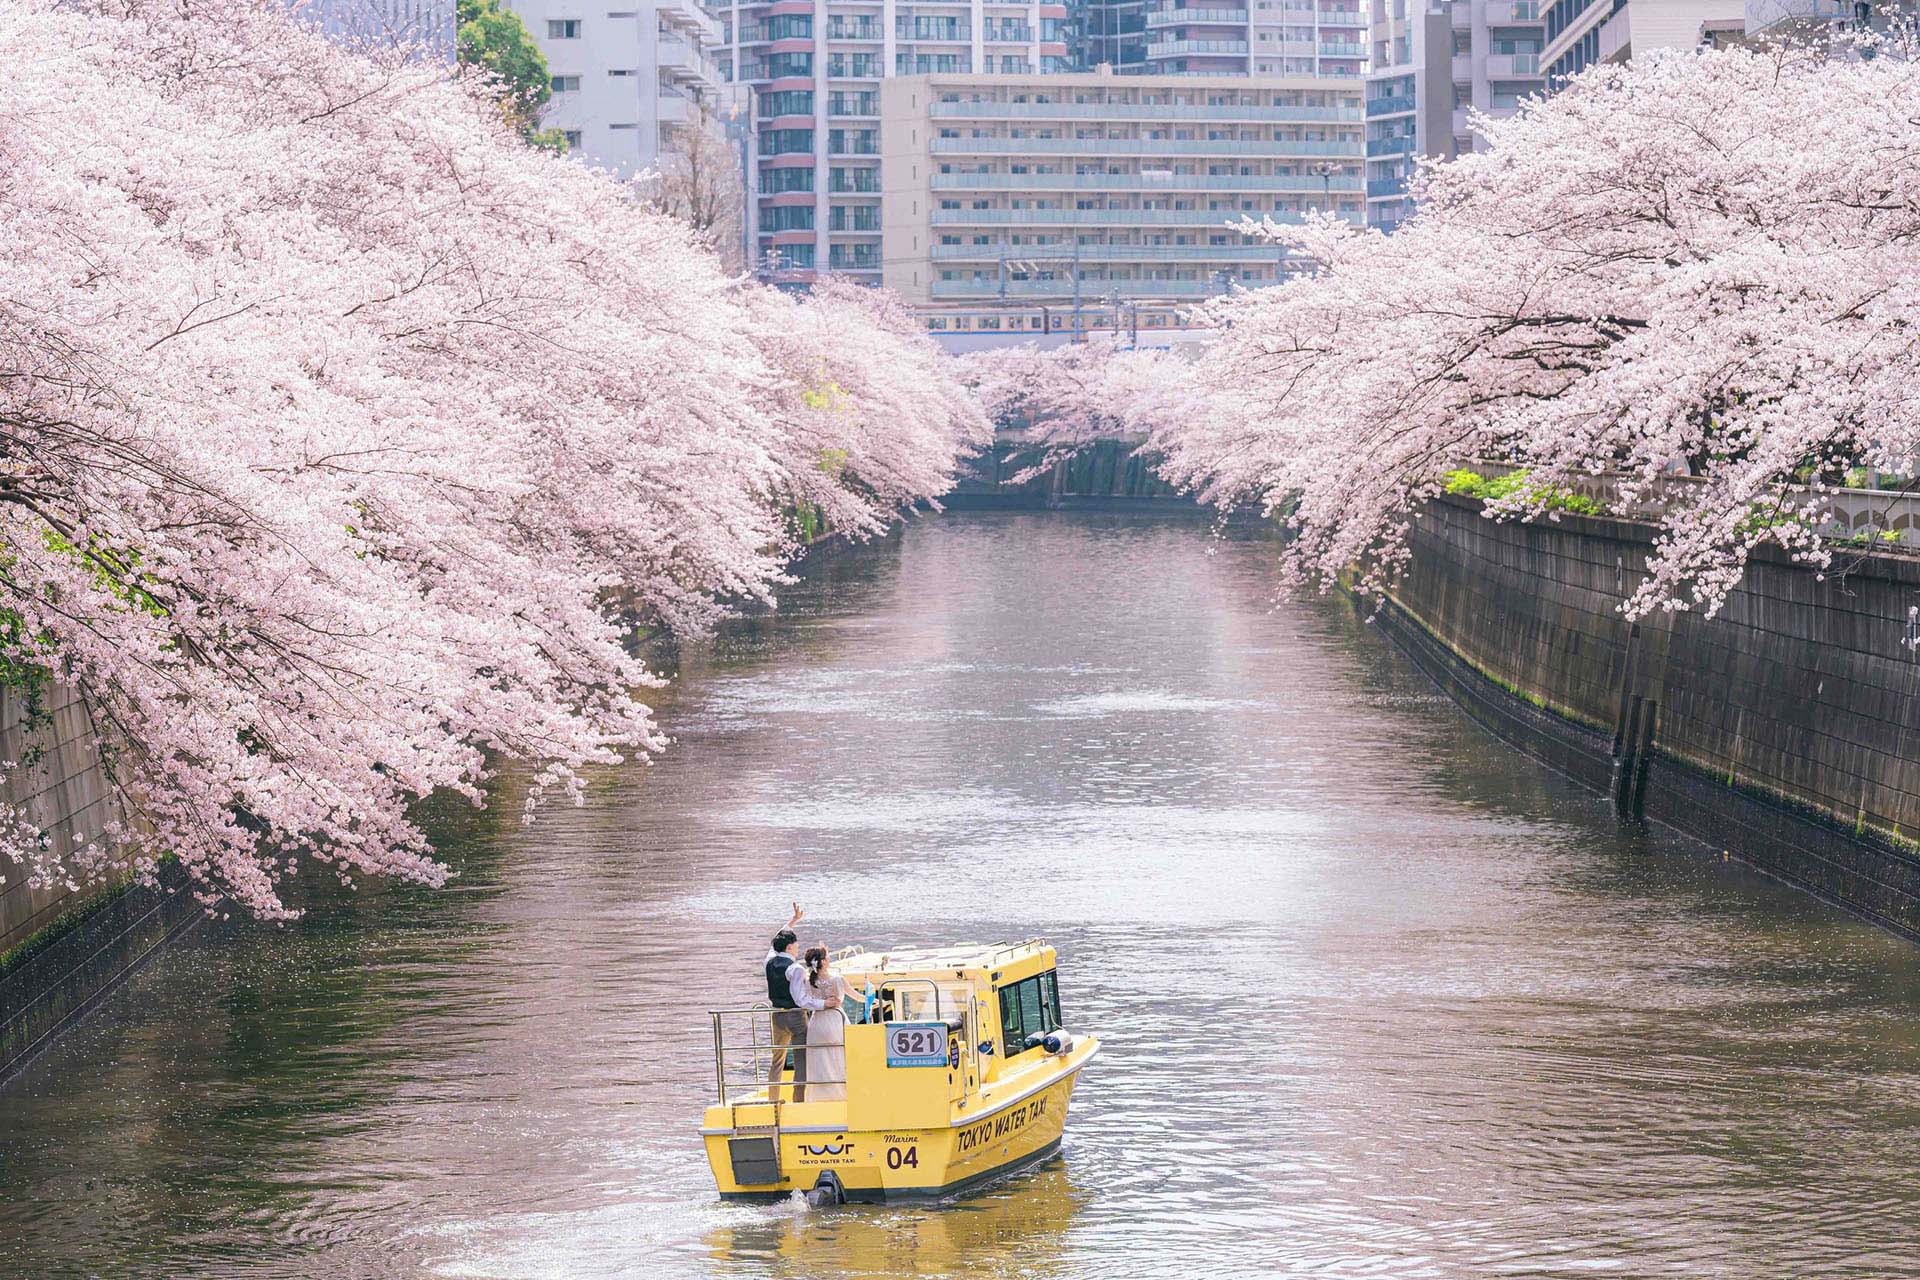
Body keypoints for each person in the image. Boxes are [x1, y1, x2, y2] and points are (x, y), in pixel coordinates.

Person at [764, 903, 829, 1100]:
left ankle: (773, 1099)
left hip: (776, 1015)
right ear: (790, 946)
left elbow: (775, 941)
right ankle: (798, 1099)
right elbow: (801, 999)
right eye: (796, 945)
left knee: (777, 1060)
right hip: (795, 1017)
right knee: (801, 1059)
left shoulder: (769, 961)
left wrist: (793, 921)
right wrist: (824, 1004)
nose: (798, 947)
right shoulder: (795, 968)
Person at [801, 944, 852, 1103]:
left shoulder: (809, 982)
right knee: (839, 1055)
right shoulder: (837, 979)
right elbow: (853, 996)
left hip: (817, 1023)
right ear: (822, 962)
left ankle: (819, 1096)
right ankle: (841, 1094)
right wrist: (873, 1000)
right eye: (827, 957)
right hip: (835, 1020)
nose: (829, 959)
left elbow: (806, 1000)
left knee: (819, 1058)